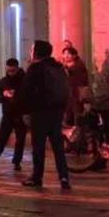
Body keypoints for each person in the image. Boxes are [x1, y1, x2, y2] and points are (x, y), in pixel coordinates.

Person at [21, 40, 72, 191]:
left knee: (38, 147)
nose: (31, 52)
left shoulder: (35, 68)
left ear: (37, 52)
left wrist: (24, 110)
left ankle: (37, 177)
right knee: (58, 148)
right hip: (56, 112)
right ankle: (64, 178)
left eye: (32, 49)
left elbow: (26, 91)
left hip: (39, 113)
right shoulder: (58, 67)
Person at [0, 58, 29, 171]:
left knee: (20, 140)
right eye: (9, 71)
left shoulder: (25, 81)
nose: (11, 73)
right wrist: (4, 95)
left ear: (17, 68)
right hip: (8, 114)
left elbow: (28, 97)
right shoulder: (3, 81)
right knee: (1, 138)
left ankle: (17, 162)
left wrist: (16, 96)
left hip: (20, 114)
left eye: (13, 71)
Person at [62, 43, 90, 126]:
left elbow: (79, 78)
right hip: (70, 93)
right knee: (69, 110)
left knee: (77, 110)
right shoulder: (66, 66)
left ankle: (77, 128)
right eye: (64, 54)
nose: (66, 56)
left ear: (74, 55)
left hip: (77, 92)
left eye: (68, 54)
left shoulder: (78, 65)